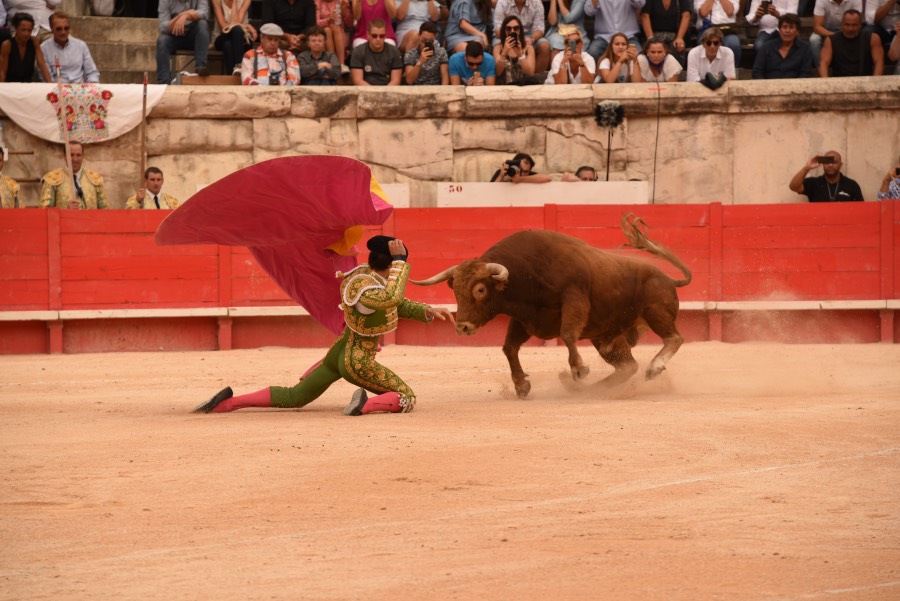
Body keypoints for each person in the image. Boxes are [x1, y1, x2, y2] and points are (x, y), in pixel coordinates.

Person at [192, 236, 455, 416]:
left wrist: (427, 310)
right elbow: (391, 299)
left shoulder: (363, 278)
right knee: (406, 396)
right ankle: (364, 406)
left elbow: (392, 303)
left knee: (296, 396)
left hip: (338, 353)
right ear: (391, 265)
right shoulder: (364, 285)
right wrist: (401, 263)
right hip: (357, 361)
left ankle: (228, 404)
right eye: (397, 265)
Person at [155, 0, 211, 84]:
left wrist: (185, 16)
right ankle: (163, 82)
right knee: (162, 41)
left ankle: (200, 67)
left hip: (194, 36)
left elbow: (204, 13)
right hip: (174, 35)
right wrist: (180, 16)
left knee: (202, 24)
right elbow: (164, 27)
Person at [40, 141, 107, 210]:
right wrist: (66, 211)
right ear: (64, 156)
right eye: (71, 155)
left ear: (83, 156)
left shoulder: (95, 179)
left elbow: (105, 213)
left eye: (78, 155)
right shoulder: (52, 179)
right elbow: (45, 213)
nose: (75, 159)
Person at [819, 9, 884, 75]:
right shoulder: (831, 40)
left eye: (854, 25)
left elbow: (879, 62)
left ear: (860, 25)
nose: (850, 29)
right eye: (847, 25)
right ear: (842, 24)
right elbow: (824, 63)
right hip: (839, 81)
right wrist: (826, 83)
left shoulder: (872, 39)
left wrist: (874, 83)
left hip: (864, 80)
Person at [40, 11, 99, 83]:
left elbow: (92, 73)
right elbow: (46, 78)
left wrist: (92, 87)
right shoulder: (44, 48)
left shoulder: (81, 45)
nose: (63, 32)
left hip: (79, 89)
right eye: (59, 29)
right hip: (57, 89)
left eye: (66, 28)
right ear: (51, 29)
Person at [492, 0, 551, 71]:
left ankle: (536, 79)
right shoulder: (502, 2)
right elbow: (498, 30)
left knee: (544, 46)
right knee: (497, 45)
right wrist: (510, 40)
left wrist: (531, 39)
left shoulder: (537, 2)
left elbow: (540, 29)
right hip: (505, 35)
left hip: (529, 36)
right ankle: (502, 77)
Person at [752, 13, 814, 78]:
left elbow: (805, 74)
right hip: (769, 86)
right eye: (784, 27)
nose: (787, 31)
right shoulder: (767, 47)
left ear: (797, 32)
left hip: (795, 87)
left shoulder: (805, 49)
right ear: (779, 30)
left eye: (791, 27)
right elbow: (757, 72)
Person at [788, 151, 863, 202]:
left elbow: (861, 210)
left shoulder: (852, 185)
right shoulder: (813, 183)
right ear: (823, 164)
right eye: (827, 161)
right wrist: (806, 168)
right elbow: (793, 187)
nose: (830, 165)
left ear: (840, 165)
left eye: (834, 162)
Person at [0, 12, 52, 82]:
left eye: (29, 30)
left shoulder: (34, 41)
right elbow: (2, 71)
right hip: (11, 84)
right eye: (23, 30)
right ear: (16, 28)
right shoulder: (7, 45)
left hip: (28, 83)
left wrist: (50, 84)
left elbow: (42, 65)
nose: (26, 33)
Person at [350, 19, 403, 85]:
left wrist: (383, 93)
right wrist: (374, 93)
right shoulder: (358, 51)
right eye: (374, 36)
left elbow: (395, 81)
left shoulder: (394, 52)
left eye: (381, 36)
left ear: (385, 36)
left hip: (388, 91)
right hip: (365, 91)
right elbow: (358, 80)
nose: (378, 39)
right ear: (368, 35)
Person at [809, 0, 862, 65]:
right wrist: (837, 36)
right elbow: (817, 27)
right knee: (814, 40)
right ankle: (820, 68)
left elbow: (857, 22)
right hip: (825, 30)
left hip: (848, 28)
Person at [211, 0, 256, 75]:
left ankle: (232, 76)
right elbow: (224, 27)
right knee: (237, 29)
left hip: (243, 39)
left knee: (228, 45)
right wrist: (246, 26)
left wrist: (234, 2)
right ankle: (239, 65)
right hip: (222, 37)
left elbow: (236, 22)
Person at [693, 0, 741, 67]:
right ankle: (708, 74)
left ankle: (732, 74)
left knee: (733, 44)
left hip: (728, 31)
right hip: (707, 30)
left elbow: (730, 11)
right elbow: (703, 12)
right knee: (709, 44)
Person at [493, 15, 536, 84]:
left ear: (520, 30)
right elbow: (498, 72)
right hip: (504, 88)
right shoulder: (498, 48)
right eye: (508, 29)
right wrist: (504, 53)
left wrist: (521, 55)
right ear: (504, 30)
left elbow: (530, 73)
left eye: (516, 28)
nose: (512, 31)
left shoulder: (529, 48)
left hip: (523, 88)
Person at [312, 0, 350, 74]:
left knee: (335, 26)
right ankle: (333, 63)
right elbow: (316, 22)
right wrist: (329, 19)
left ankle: (342, 64)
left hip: (339, 33)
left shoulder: (341, 1)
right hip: (323, 31)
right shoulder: (318, 2)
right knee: (327, 30)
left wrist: (344, 10)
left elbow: (349, 23)